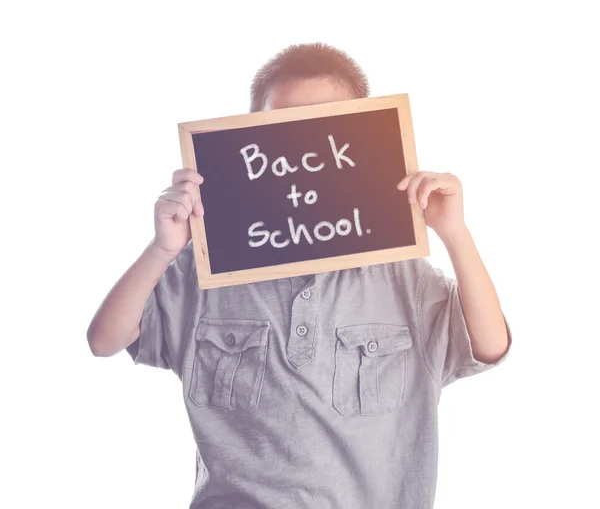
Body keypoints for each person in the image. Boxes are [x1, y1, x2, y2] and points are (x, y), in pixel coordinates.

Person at [87, 42, 511, 509]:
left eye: (327, 128)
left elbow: (489, 345)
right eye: (283, 128)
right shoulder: (208, 268)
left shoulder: (400, 275)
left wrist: (456, 234)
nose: (306, 147)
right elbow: (105, 340)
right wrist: (163, 250)